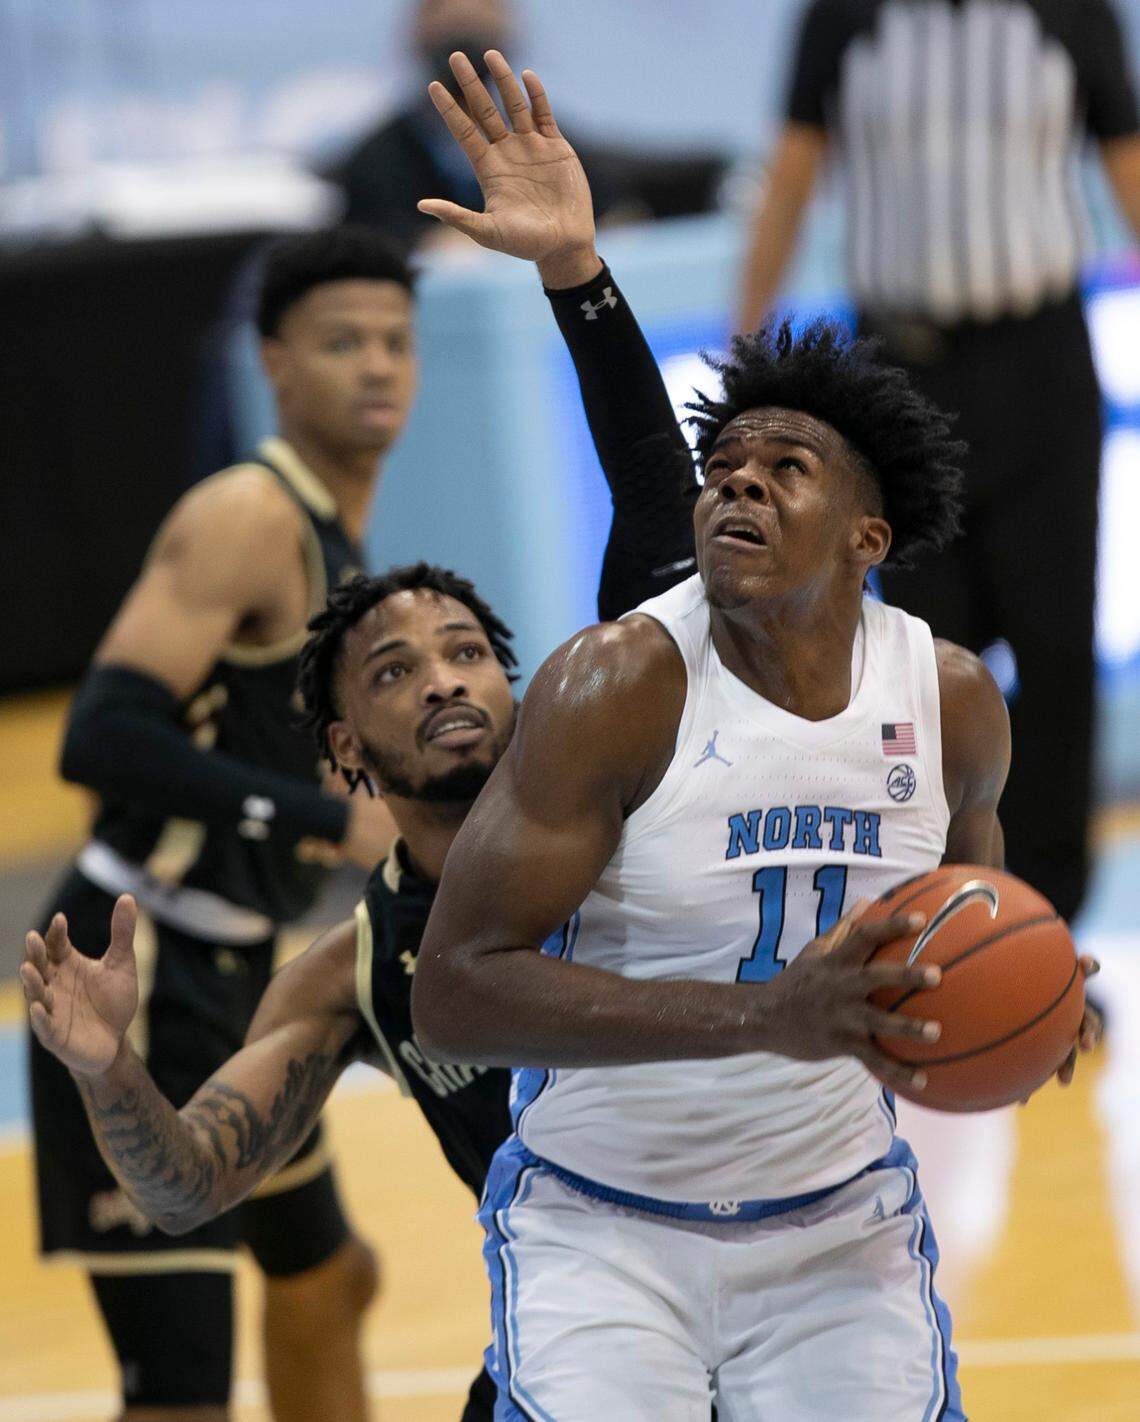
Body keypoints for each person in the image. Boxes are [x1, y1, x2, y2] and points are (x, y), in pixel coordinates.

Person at [404, 53, 1104, 1420]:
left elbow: (969, 926)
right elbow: (454, 991)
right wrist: (763, 1018)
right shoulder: (618, 684)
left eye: (784, 471)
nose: (736, 488)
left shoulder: (951, 699)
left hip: (836, 1223)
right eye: (722, 469)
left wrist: (1027, 999)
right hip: (608, 1223)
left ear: (869, 537)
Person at [19, 58, 699, 1418]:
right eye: (396, 668)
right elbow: (185, 1174)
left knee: (328, 1283)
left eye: (467, 652)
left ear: (526, 696)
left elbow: (657, 507)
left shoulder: (609, 799)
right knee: (191, 1366)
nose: (444, 677)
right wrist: (107, 1064)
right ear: (343, 750)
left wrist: (576, 267)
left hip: (762, 1293)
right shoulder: (356, 962)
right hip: (161, 947)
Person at [28, 227, 417, 1422]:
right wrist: (313, 817)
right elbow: (97, 738)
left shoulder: (342, 535)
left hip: (243, 970)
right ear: (272, 362)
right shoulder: (250, 513)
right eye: (341, 341)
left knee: (328, 1279)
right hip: (132, 977)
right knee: (182, 1388)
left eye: (398, 343)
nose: (376, 367)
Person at [738, 0, 1140, 930]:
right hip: (899, 374)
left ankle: (1045, 929)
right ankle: (943, 918)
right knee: (915, 670)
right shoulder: (842, 16)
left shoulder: (1071, 13)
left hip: (1040, 360)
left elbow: (1126, 163)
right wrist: (749, 359)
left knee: (1056, 655)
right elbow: (792, 176)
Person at [327, 0, 727, 252]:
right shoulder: (376, 160)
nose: (465, 11)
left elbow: (616, 200)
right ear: (413, 31)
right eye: (442, 4)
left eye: (486, 3)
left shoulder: (548, 138)